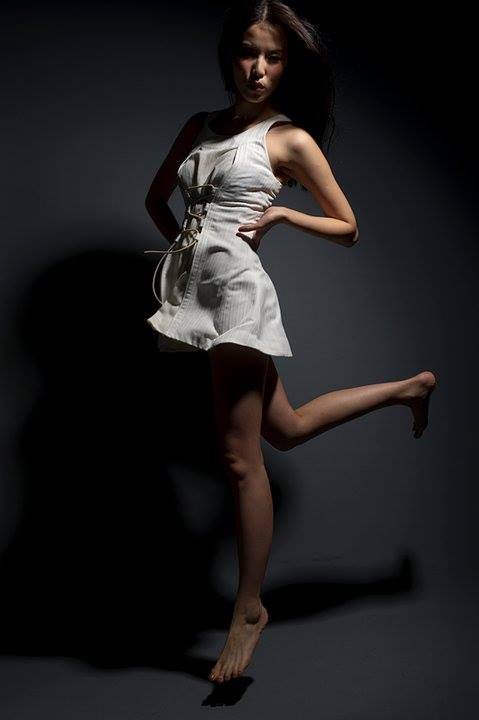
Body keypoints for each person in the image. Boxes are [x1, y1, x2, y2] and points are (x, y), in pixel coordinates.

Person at [143, 1, 437, 684]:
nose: (258, 69)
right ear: (230, 55)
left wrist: (281, 213)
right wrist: (187, 258)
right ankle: (408, 388)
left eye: (273, 58)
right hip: (197, 295)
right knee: (286, 429)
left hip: (238, 296)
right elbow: (157, 200)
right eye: (248, 53)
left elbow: (348, 227)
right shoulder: (198, 126)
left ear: (286, 67)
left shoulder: (289, 140)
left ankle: (249, 608)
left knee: (238, 458)